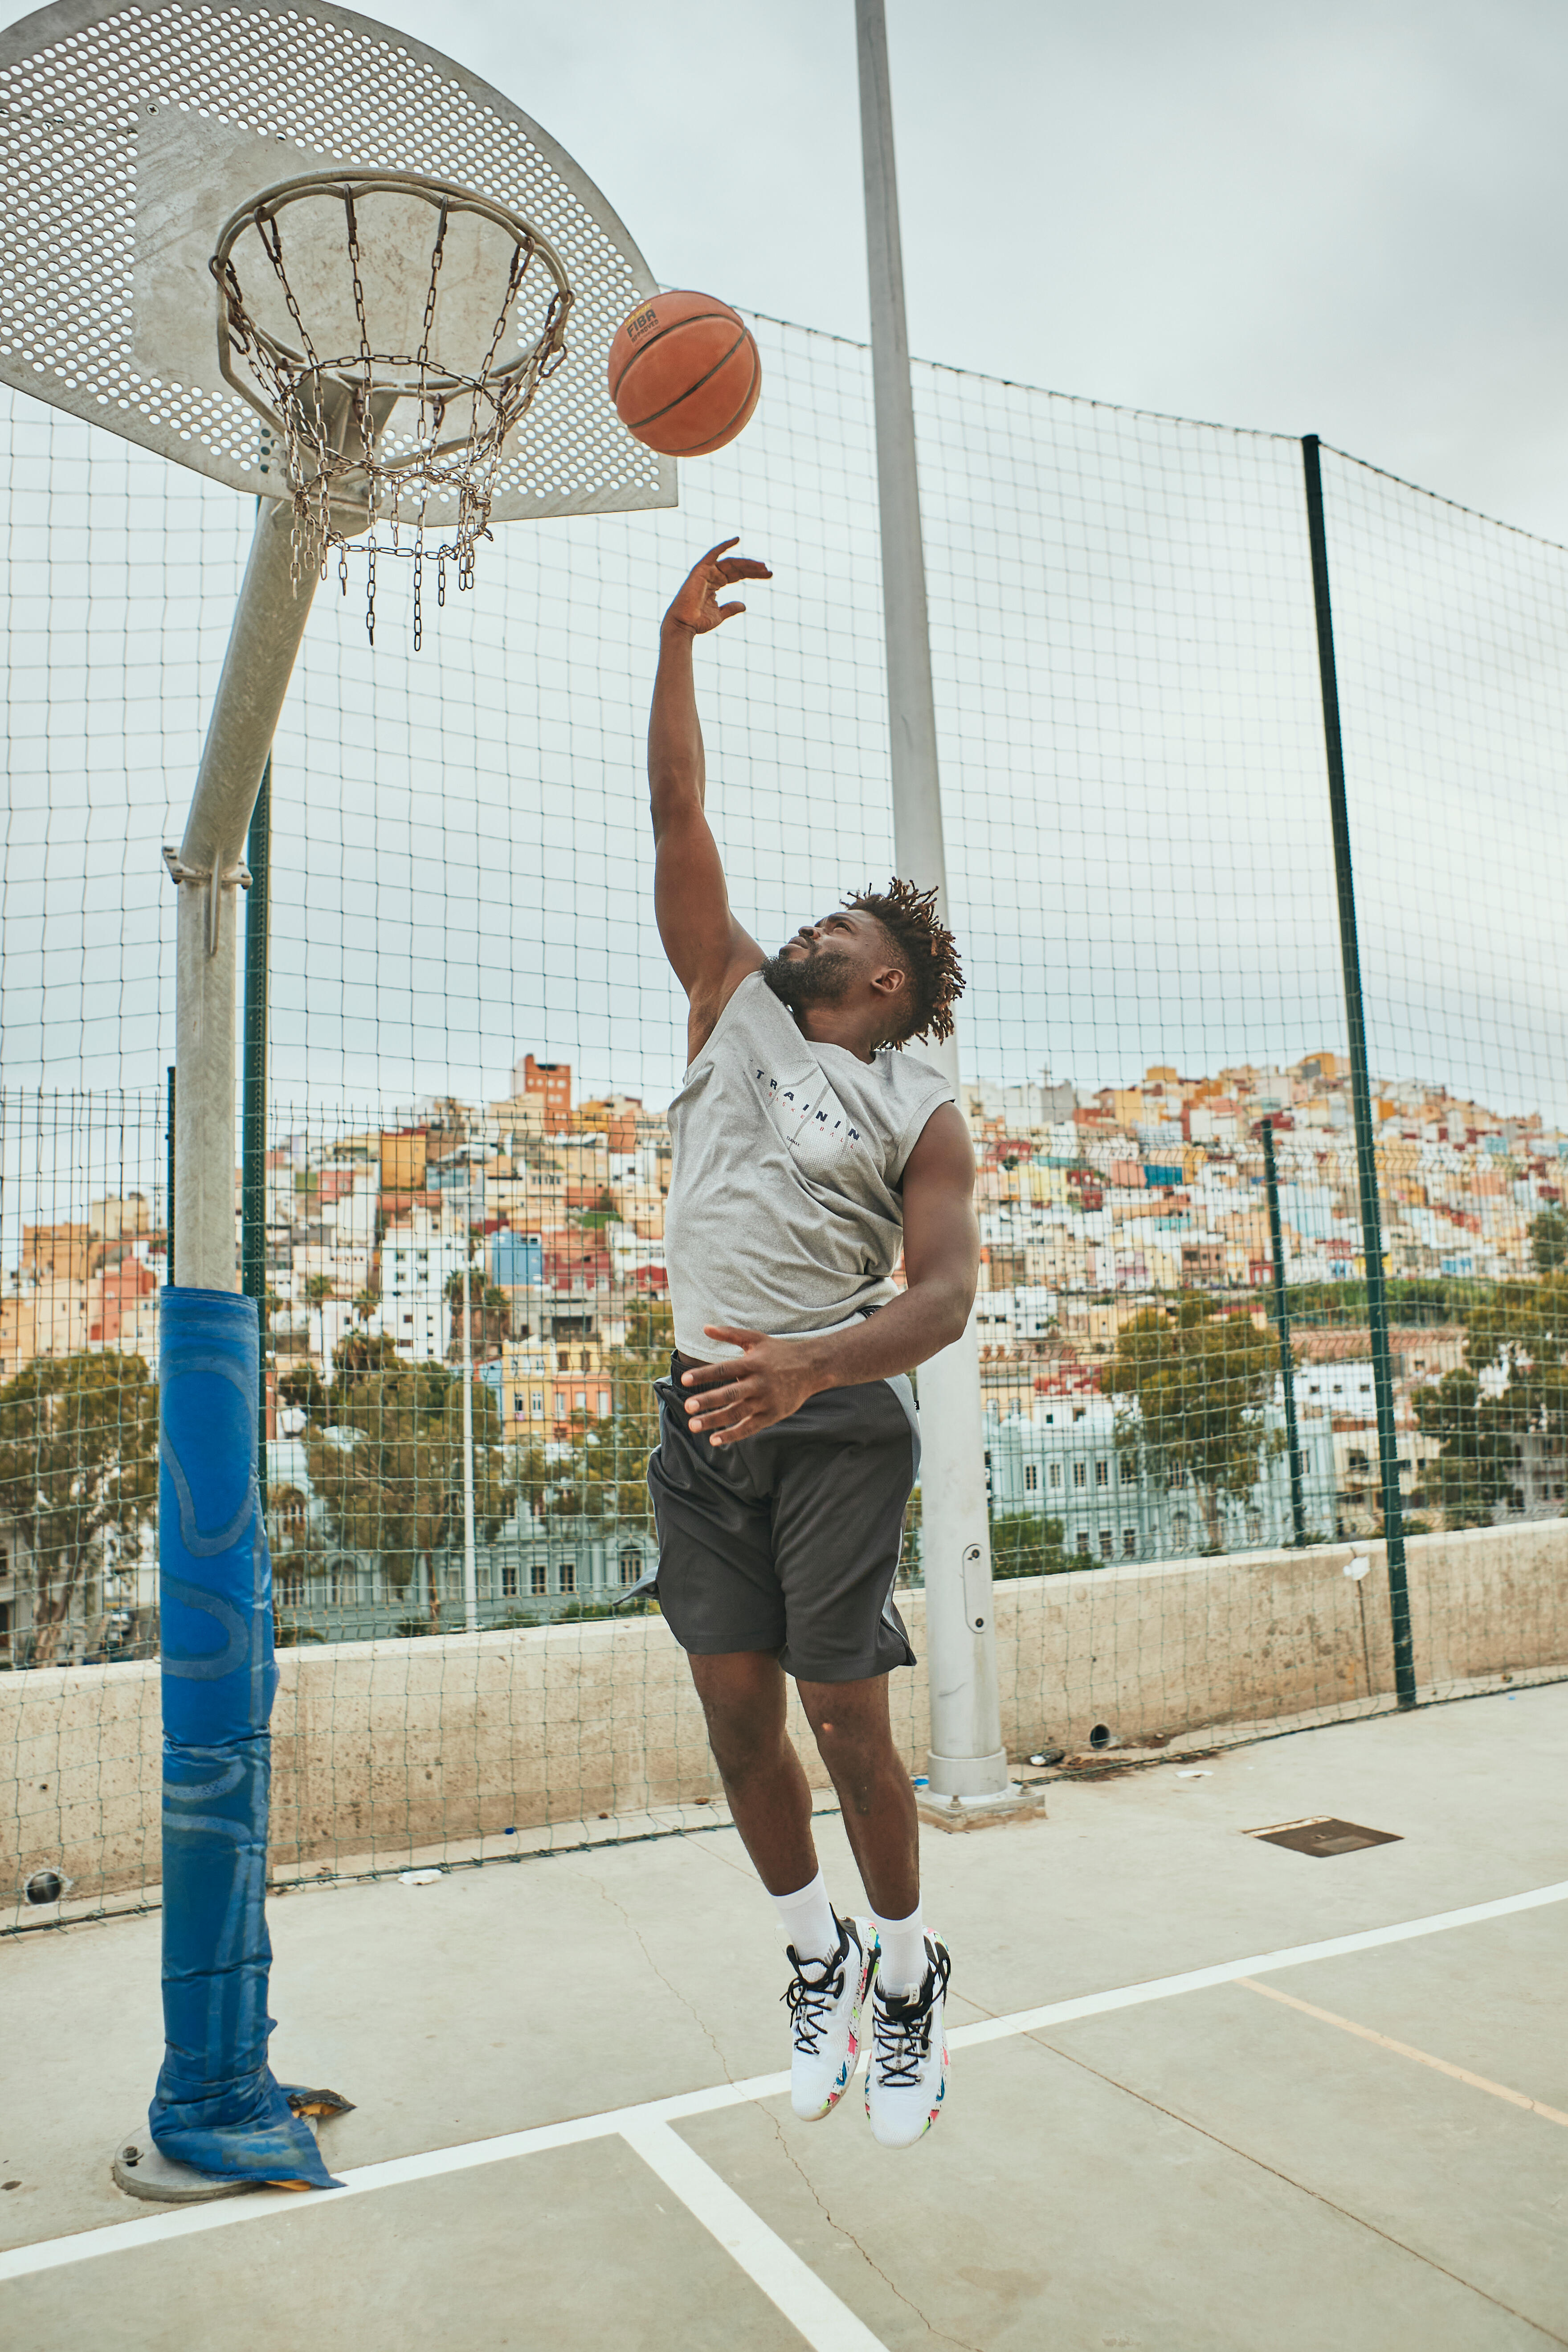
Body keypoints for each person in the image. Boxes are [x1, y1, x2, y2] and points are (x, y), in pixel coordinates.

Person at [643, 539, 980, 2149]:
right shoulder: (730, 994)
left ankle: (909, 1977)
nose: (805, 927)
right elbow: (678, 816)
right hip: (705, 1409)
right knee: (731, 1712)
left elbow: (941, 1304)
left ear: (886, 979)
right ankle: (814, 1955)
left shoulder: (923, 1109)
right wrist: (676, 646)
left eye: (837, 928)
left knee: (848, 1719)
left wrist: (813, 1366)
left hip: (836, 1425)